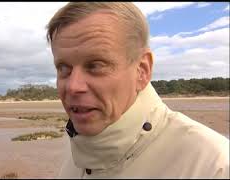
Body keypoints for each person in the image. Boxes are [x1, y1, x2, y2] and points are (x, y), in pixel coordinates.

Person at [46, 2, 229, 179]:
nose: (73, 86)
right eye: (63, 68)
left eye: (95, 65)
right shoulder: (78, 153)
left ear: (142, 71)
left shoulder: (213, 166)